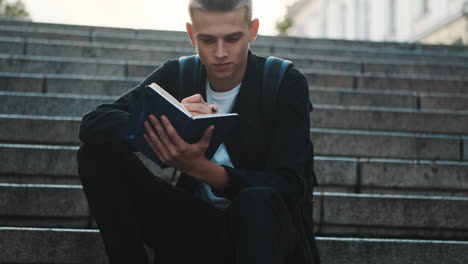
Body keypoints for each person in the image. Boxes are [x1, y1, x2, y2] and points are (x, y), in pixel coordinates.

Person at [77, 0, 320, 263]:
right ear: (192, 35)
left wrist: (201, 169)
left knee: (257, 200)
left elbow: (289, 187)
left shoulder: (284, 82)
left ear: (253, 30)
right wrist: (167, 120)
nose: (220, 52)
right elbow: (94, 123)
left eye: (232, 38)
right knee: (95, 154)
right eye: (207, 40)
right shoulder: (181, 74)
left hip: (265, 234)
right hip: (197, 228)